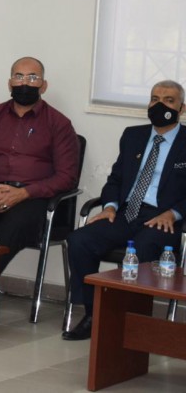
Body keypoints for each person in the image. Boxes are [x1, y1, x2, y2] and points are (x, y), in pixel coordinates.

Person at [63, 80, 186, 341]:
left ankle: (129, 321)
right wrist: (110, 206)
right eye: (155, 99)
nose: (160, 105)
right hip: (126, 212)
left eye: (169, 100)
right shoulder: (133, 135)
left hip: (164, 219)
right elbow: (116, 179)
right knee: (80, 240)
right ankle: (94, 315)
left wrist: (174, 213)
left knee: (143, 249)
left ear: (182, 108)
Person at [0, 56, 79, 274]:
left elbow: (66, 177)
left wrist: (23, 193)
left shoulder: (59, 124)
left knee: (12, 228)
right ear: (9, 83)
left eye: (33, 78)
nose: (25, 83)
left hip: (32, 199)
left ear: (44, 86)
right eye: (19, 77)